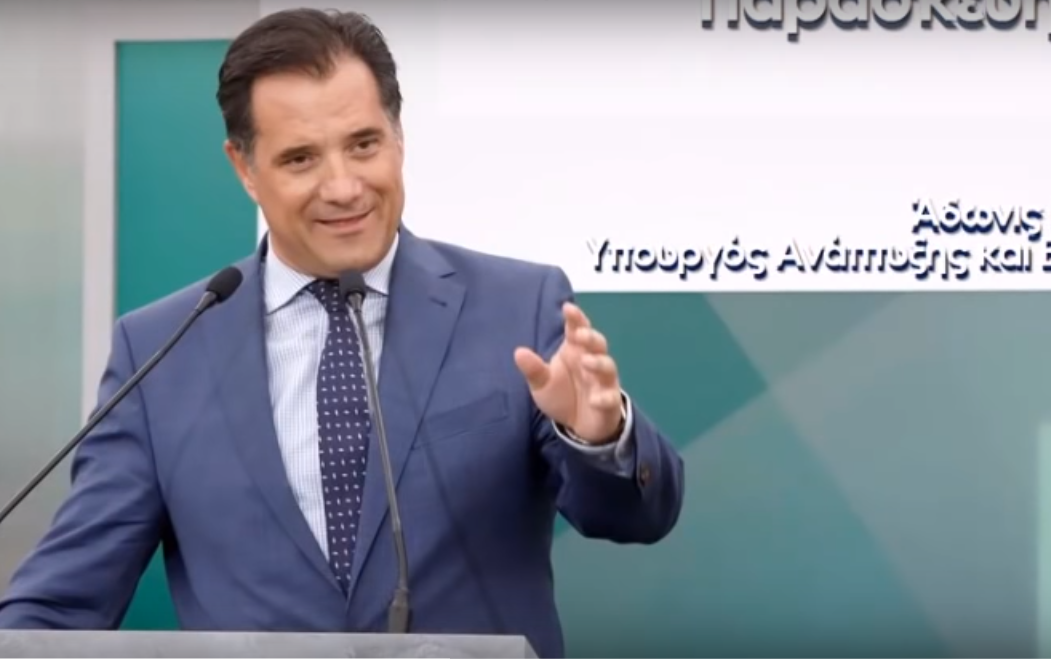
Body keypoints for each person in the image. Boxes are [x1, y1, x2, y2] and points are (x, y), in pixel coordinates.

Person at [0, 8, 684, 658]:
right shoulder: (159, 351)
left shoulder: (516, 307)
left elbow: (636, 516)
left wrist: (598, 436)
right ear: (244, 168)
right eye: (301, 159)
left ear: (398, 138)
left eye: (363, 145)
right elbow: (57, 607)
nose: (344, 187)